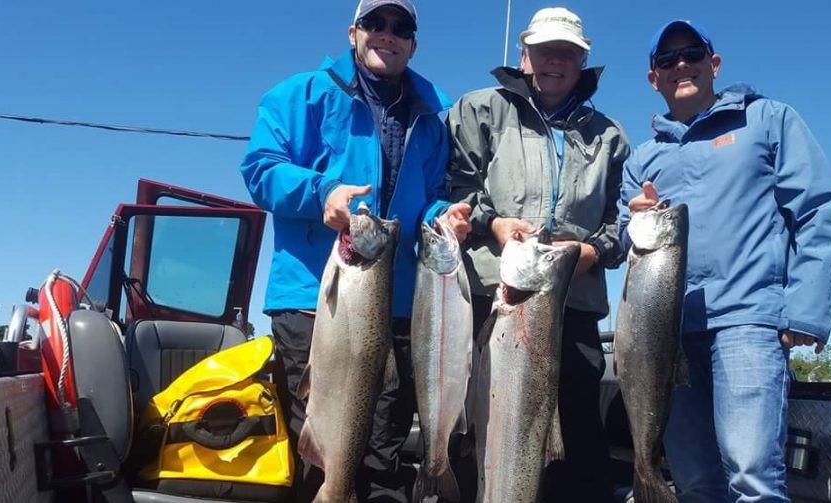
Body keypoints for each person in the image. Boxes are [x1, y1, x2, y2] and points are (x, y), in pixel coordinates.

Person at [238, 1, 470, 501]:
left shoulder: (432, 117)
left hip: (400, 307)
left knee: (383, 451)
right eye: (376, 24)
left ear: (413, 42)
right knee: (319, 439)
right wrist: (322, 193)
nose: (388, 35)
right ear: (353, 33)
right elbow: (260, 169)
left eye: (401, 27)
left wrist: (442, 217)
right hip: (315, 302)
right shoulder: (298, 96)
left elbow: (430, 197)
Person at [618, 19, 831, 503]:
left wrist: (805, 310)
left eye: (693, 53)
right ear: (653, 78)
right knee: (696, 482)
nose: (681, 64)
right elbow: (624, 234)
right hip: (666, 336)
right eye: (667, 59)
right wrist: (632, 220)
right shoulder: (641, 159)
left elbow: (820, 209)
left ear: (714, 63)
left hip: (747, 322)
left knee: (752, 478)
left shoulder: (768, 119)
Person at [447, 7, 629, 502]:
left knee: (575, 442)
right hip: (494, 298)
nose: (555, 61)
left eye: (567, 53)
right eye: (545, 50)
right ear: (524, 55)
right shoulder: (478, 108)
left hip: (574, 308)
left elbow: (620, 224)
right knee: (478, 431)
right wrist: (494, 223)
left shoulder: (609, 134)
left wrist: (592, 250)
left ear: (582, 61)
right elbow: (454, 188)